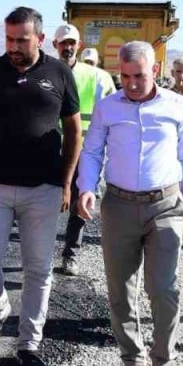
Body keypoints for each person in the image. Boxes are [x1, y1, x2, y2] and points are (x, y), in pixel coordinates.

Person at [0, 7, 80, 366]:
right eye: (9, 39)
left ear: (39, 38)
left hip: (43, 188)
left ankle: (29, 345)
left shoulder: (60, 73)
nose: (13, 47)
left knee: (38, 269)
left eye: (21, 40)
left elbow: (73, 132)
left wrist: (67, 182)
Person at [78, 41, 183, 366]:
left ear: (156, 70)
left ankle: (163, 361)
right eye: (126, 76)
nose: (132, 83)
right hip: (118, 206)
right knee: (120, 288)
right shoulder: (107, 107)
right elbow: (92, 151)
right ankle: (132, 359)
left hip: (165, 206)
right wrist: (87, 187)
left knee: (162, 288)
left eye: (140, 76)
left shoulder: (176, 106)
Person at [50, 24, 117, 277]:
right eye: (63, 43)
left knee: (80, 204)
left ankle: (71, 253)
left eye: (72, 43)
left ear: (79, 46)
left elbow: (112, 114)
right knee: (44, 204)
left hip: (85, 152)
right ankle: (41, 253)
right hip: (49, 152)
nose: (67, 47)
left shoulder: (98, 78)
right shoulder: (45, 73)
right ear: (55, 45)